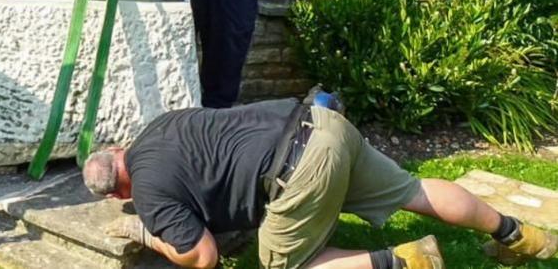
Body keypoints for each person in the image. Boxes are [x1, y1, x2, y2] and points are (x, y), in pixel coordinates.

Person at [83, 100, 558, 269]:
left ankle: (404, 261)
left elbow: (203, 257)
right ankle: (519, 235)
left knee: (279, 263)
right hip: (318, 121)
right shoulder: (162, 125)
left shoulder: (145, 193)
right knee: (413, 189)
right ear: (119, 149)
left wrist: (148, 233)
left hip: (298, 170)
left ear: (118, 192)